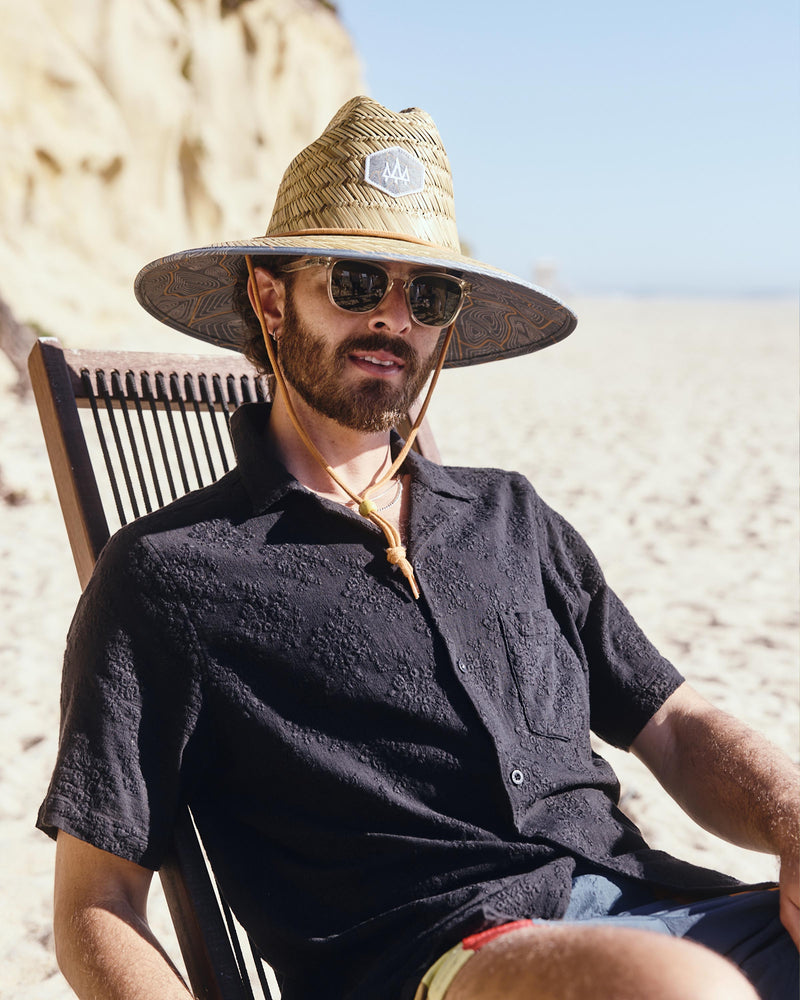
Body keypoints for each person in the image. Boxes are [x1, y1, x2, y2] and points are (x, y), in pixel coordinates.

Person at [38, 96, 798, 1000]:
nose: (394, 317)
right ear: (271, 297)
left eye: (427, 294)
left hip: (658, 908)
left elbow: (671, 723)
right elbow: (99, 903)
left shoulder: (510, 517)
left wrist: (794, 823)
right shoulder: (171, 576)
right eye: (358, 281)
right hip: (448, 958)